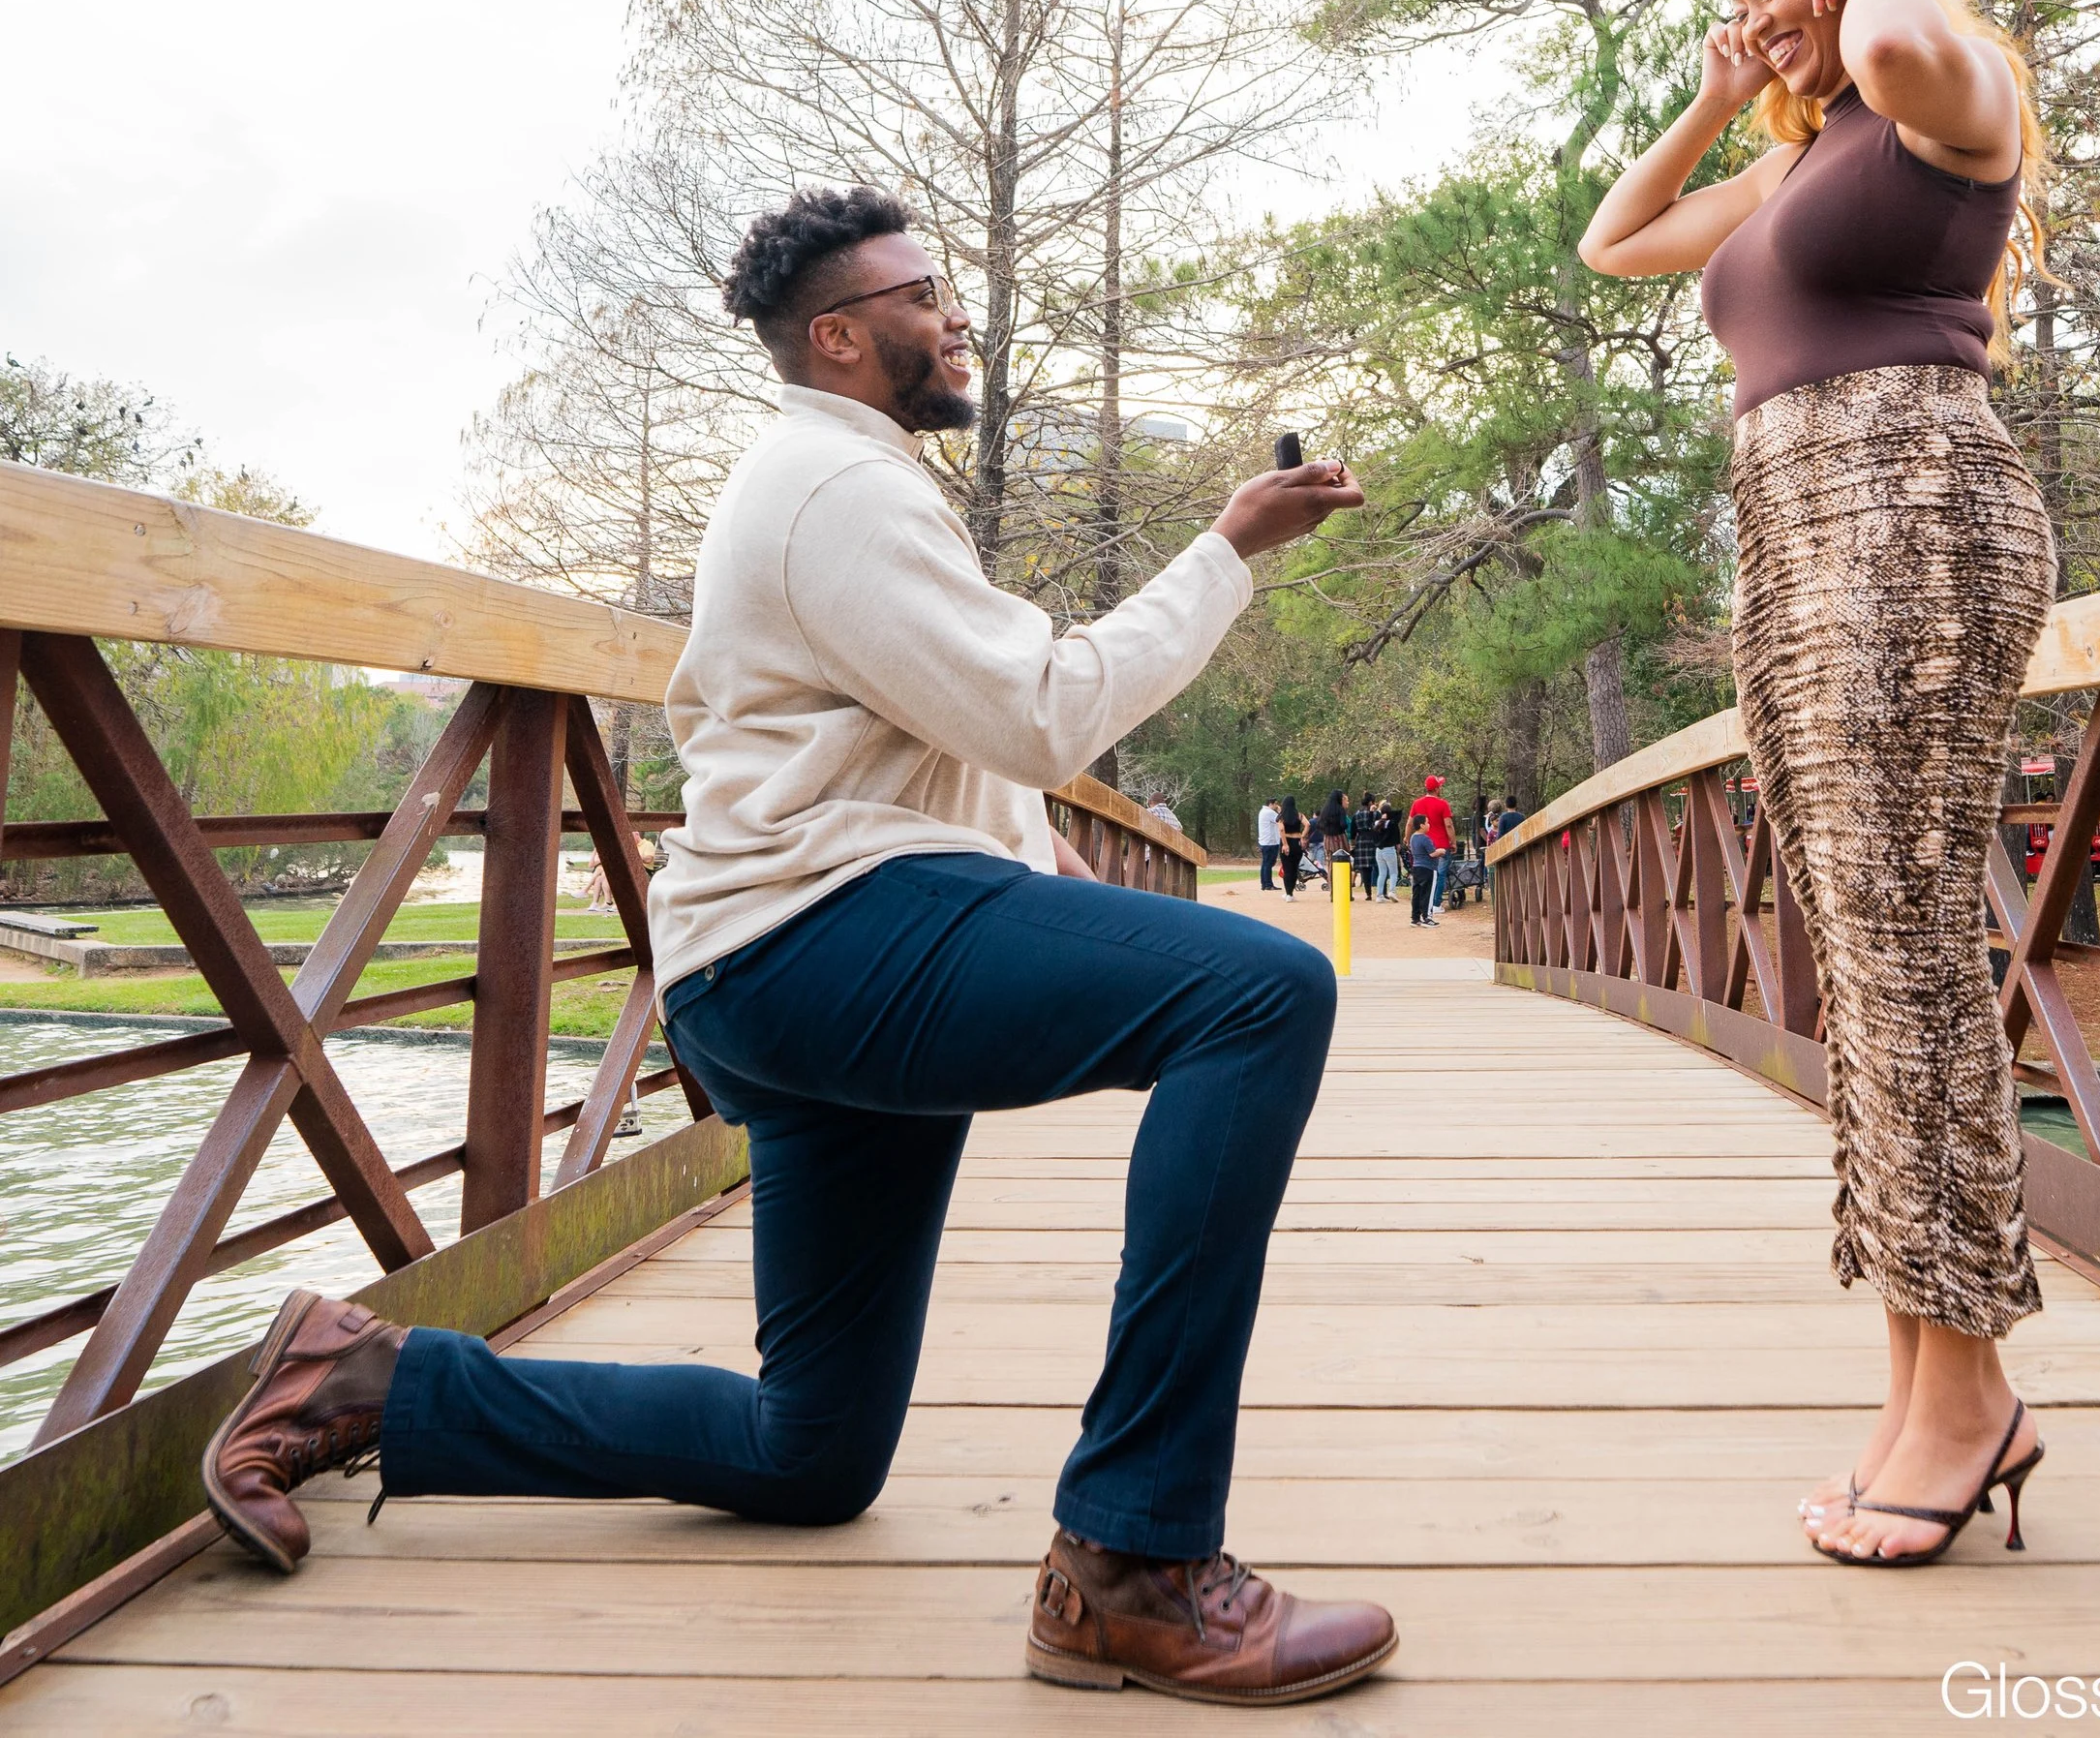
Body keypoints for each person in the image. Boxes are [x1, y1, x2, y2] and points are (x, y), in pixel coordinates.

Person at [199, 184, 1399, 1704]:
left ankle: (368, 1380)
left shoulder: (857, 482)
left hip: (785, 963)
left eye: (946, 287)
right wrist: (1225, 551)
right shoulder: (838, 494)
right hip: (819, 942)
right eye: (918, 295)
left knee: (812, 1449)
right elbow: (1041, 713)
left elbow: (971, 753)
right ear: (837, 337)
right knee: (1261, 990)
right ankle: (1136, 1563)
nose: (953, 312)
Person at [1580, 0, 2055, 1568]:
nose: (1775, 11)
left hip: (1914, 515)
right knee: (1866, 968)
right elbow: (1615, 242)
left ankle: (1969, 1389)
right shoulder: (1799, 154)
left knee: (1911, 956)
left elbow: (1911, 25)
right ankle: (1925, 1375)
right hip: (1795, 544)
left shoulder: (1947, 95)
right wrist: (1724, 92)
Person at [1317, 791, 1351, 896]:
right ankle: (1345, 891)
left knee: (1331, 863)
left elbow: (1319, 825)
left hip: (1327, 839)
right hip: (1339, 838)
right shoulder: (1340, 810)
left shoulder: (1325, 810)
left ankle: (1333, 892)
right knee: (1344, 863)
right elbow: (1343, 824)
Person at [1405, 821, 1438, 927]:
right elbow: (1432, 853)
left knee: (1417, 893)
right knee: (1428, 893)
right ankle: (1427, 917)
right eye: (1427, 822)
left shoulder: (1413, 838)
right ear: (1421, 825)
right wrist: (1441, 851)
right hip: (1428, 868)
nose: (1429, 824)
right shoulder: (1425, 838)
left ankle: (1415, 918)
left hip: (1416, 868)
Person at [1351, 793, 1380, 900]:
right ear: (1371, 802)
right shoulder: (1376, 814)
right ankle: (1381, 891)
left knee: (1365, 869)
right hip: (1374, 840)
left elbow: (1353, 832)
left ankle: (1368, 893)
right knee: (1378, 867)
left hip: (1361, 841)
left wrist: (1353, 844)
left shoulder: (1356, 815)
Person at [1372, 801, 1402, 901]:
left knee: (1382, 873)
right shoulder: (1392, 823)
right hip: (1389, 849)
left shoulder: (1376, 823)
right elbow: (1396, 835)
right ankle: (1392, 891)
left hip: (1378, 850)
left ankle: (1379, 895)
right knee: (1393, 872)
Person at [1277, 795, 1307, 898]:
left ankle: (1288, 893)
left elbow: (1281, 830)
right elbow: (1308, 824)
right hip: (1297, 841)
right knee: (1294, 868)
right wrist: (1302, 836)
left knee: (1287, 868)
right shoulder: (1299, 815)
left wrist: (1285, 844)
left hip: (1287, 841)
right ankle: (1291, 892)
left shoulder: (1281, 817)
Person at [1256, 796, 1283, 890]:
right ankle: (1268, 884)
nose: (1277, 806)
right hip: (1270, 842)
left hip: (1265, 841)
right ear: (1271, 804)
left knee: (1266, 863)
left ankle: (1265, 883)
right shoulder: (1269, 812)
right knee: (1269, 863)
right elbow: (1281, 820)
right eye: (1275, 804)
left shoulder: (1263, 811)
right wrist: (1280, 812)